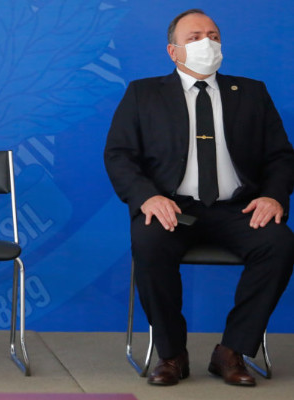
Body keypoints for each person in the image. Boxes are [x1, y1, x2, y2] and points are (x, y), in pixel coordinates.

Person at [104, 9, 294, 387]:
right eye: (194, 37)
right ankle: (172, 354)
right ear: (173, 51)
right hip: (173, 207)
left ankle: (231, 351)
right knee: (149, 241)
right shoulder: (143, 93)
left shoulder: (251, 92)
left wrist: (273, 197)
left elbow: (280, 156)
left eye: (213, 35)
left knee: (279, 244)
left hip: (238, 208)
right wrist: (147, 198)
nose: (207, 43)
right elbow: (119, 155)